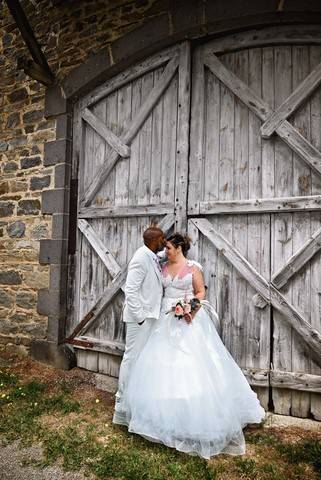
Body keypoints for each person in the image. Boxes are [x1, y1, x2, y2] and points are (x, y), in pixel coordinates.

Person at [113, 233, 266, 459]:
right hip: (163, 318)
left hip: (188, 319)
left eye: (169, 248)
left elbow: (201, 291)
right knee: (161, 363)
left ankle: (193, 412)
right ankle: (159, 412)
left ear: (179, 247)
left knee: (192, 363)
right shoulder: (162, 266)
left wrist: (191, 308)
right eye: (164, 247)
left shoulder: (193, 267)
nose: (166, 251)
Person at [113, 226, 166, 424]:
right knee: (131, 357)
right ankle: (122, 399)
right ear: (155, 240)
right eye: (162, 239)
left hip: (149, 317)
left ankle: (136, 397)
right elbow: (131, 290)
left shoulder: (152, 256)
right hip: (139, 319)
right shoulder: (140, 258)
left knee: (142, 358)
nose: (164, 242)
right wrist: (140, 317)